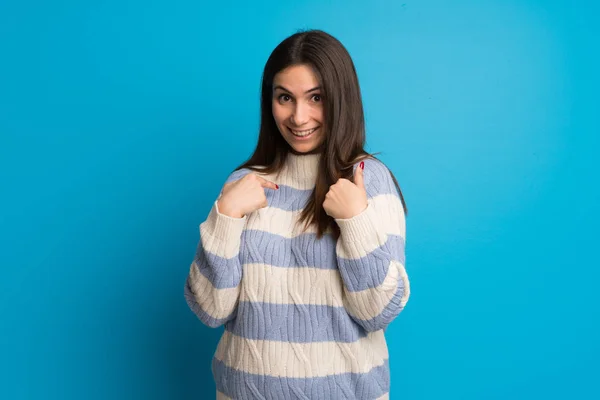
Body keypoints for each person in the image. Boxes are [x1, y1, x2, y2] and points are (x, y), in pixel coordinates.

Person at [184, 29, 410, 400]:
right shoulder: (243, 185)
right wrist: (225, 216)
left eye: (316, 98)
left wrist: (355, 220)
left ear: (341, 99)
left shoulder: (370, 182)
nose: (298, 117)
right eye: (284, 98)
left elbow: (378, 312)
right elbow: (210, 309)